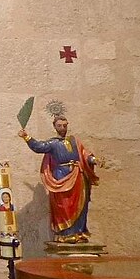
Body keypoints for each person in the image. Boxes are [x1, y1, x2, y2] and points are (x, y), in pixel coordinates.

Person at [19, 101, 99, 243]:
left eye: (64, 125)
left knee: (81, 204)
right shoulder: (53, 143)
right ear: (55, 127)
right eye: (59, 126)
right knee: (64, 205)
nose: (62, 128)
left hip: (78, 176)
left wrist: (93, 159)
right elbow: (39, 147)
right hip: (61, 177)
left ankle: (79, 232)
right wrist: (27, 137)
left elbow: (84, 153)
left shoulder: (74, 141)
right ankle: (66, 233)